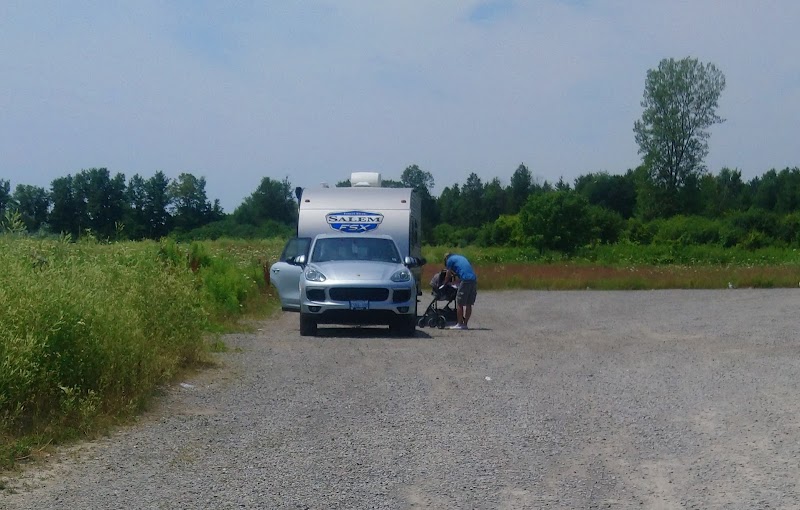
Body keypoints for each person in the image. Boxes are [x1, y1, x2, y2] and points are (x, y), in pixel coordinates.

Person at [443, 252, 477, 330]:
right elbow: (462, 271)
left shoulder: (450, 260)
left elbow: (448, 274)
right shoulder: (461, 258)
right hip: (473, 279)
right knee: (469, 303)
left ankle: (459, 324)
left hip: (465, 279)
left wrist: (445, 283)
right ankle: (465, 324)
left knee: (459, 302)